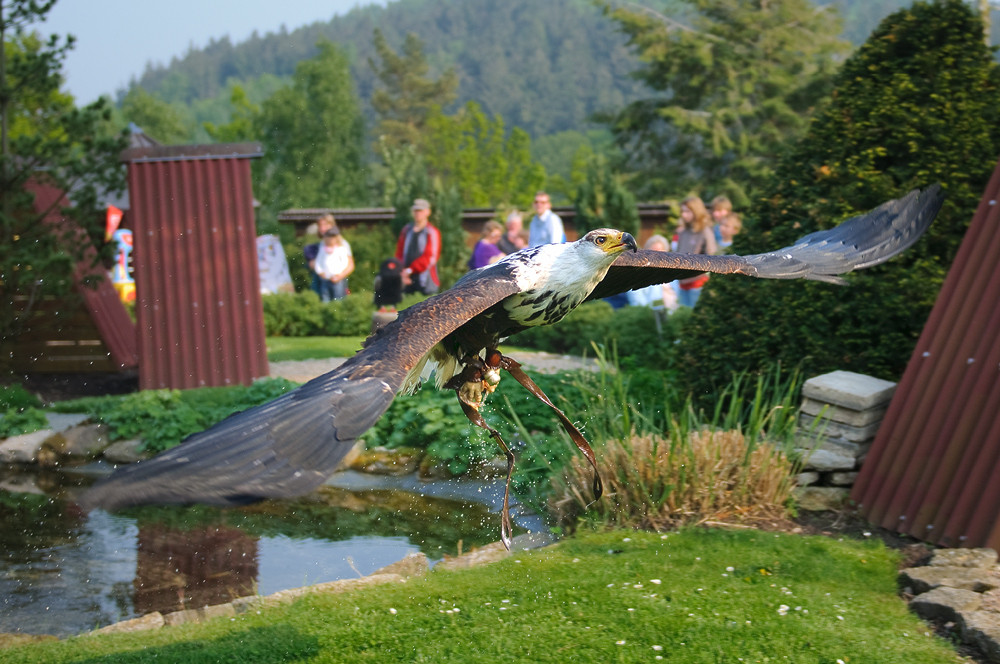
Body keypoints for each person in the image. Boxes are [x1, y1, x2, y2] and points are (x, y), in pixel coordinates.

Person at [676, 195, 718, 308]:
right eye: (682, 211)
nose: (683, 214)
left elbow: (712, 256)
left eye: (687, 211)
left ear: (696, 211)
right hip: (682, 284)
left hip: (698, 284)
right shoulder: (683, 232)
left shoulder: (705, 231)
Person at [394, 198, 441, 295]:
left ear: (427, 212)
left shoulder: (432, 232)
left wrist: (410, 270)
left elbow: (430, 258)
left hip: (425, 281)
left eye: (420, 211)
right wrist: (401, 271)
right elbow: (399, 253)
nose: (417, 213)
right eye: (415, 211)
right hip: (405, 279)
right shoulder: (406, 230)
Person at [625, 234, 679, 312]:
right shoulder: (637, 276)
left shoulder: (673, 275)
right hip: (648, 317)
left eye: (661, 252)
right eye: (653, 252)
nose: (657, 256)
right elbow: (637, 302)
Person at [313, 227, 354, 302]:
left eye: (333, 238)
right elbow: (318, 262)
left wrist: (339, 274)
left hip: (337, 279)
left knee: (338, 298)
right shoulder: (323, 249)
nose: (330, 239)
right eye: (329, 237)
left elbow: (344, 262)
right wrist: (320, 272)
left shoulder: (341, 249)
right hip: (326, 278)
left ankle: (337, 312)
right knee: (325, 297)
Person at [303, 213, 336, 297]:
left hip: (335, 278)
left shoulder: (339, 242)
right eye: (320, 225)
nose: (322, 228)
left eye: (325, 225)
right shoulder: (320, 243)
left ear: (332, 225)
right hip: (321, 278)